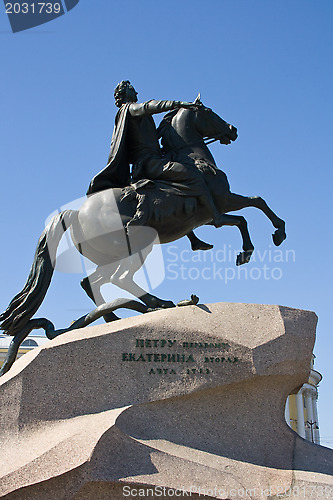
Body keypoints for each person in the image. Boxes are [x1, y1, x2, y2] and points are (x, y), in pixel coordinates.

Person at [87, 80, 216, 250]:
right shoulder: (129, 109)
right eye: (133, 90)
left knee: (172, 192)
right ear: (125, 93)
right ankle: (217, 216)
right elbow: (150, 106)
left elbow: (148, 138)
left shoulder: (132, 117)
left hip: (149, 160)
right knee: (191, 175)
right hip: (149, 163)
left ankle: (192, 237)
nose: (137, 94)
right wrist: (179, 104)